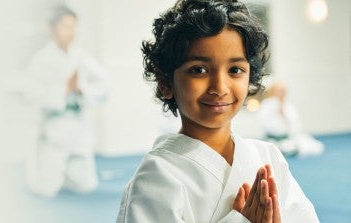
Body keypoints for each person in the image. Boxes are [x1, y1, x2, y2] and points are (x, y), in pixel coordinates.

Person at [116, 0, 319, 222]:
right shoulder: (157, 176)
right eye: (199, 70)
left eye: (235, 70)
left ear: (250, 77)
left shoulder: (267, 157)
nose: (220, 87)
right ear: (165, 82)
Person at [25, 5, 108, 197]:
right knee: (46, 189)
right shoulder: (41, 60)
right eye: (65, 27)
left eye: (73, 27)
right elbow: (32, 96)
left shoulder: (81, 57)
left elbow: (103, 86)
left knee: (85, 186)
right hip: (54, 131)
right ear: (51, 29)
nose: (71, 32)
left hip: (79, 128)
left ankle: (69, 176)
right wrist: (65, 89)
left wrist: (82, 89)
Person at [257, 82, 324, 157]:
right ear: (273, 91)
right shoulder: (266, 105)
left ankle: (289, 150)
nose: (281, 93)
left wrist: (284, 116)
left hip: (288, 137)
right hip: (273, 139)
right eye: (279, 91)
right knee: (273, 150)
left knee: (315, 146)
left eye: (283, 91)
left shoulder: (289, 106)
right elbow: (265, 124)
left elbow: (296, 124)